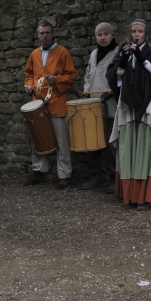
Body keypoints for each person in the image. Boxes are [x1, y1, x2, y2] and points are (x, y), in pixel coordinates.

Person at [106, 19, 151, 211]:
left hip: (149, 106)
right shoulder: (123, 50)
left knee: (146, 148)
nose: (136, 34)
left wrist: (141, 57)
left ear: (146, 33)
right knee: (128, 148)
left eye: (140, 31)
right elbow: (114, 75)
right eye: (133, 31)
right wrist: (124, 60)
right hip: (128, 107)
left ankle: (144, 196)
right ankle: (129, 193)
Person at [23, 22, 78, 188]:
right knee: (38, 137)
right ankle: (39, 171)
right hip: (38, 103)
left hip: (57, 101)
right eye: (41, 33)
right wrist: (29, 85)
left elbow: (72, 75)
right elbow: (28, 74)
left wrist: (57, 80)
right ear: (38, 35)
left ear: (52, 34)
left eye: (47, 33)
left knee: (62, 140)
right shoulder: (34, 54)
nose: (44, 36)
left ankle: (64, 175)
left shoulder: (62, 52)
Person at [81, 22, 119, 192]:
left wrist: (113, 90)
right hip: (93, 104)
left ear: (112, 35)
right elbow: (88, 74)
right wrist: (87, 91)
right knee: (93, 140)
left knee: (110, 143)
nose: (102, 38)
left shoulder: (118, 52)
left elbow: (122, 75)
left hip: (111, 103)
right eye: (99, 35)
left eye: (106, 34)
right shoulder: (94, 53)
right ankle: (98, 175)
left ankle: (113, 177)